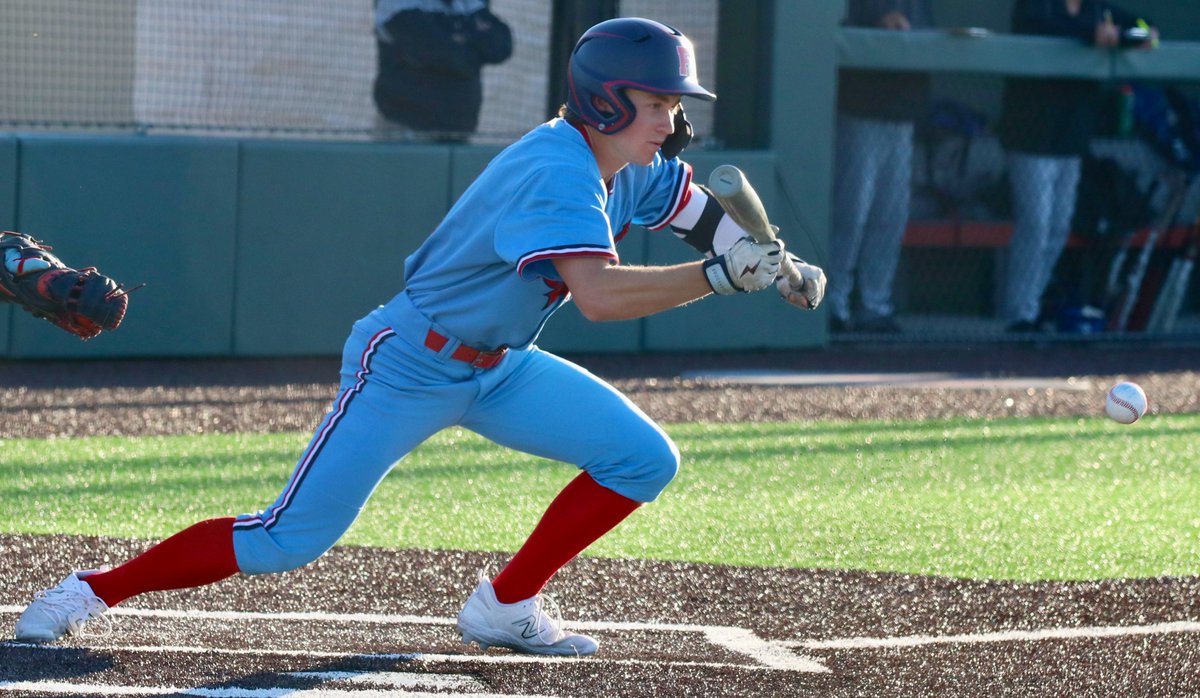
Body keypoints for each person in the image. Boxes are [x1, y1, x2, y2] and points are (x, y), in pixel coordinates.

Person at [14, 18, 826, 657]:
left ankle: (505, 606)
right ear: (608, 101)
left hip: (502, 369)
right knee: (288, 540)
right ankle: (91, 590)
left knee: (643, 459)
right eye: (657, 103)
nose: (672, 119)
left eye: (672, 104)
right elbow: (602, 300)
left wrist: (763, 259)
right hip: (407, 362)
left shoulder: (629, 162)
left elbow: (692, 210)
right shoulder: (559, 166)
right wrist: (722, 276)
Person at [997, 0, 1158, 332]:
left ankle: (1031, 306)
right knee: (1036, 224)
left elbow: (1142, 24)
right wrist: (1092, 34)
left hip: (1071, 138)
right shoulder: (1039, 9)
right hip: (1031, 136)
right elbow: (1042, 27)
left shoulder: (1096, 9)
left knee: (1057, 226)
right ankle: (1019, 313)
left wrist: (1138, 34)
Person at [827, 0, 934, 334]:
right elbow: (836, 28)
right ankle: (833, 303)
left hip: (902, 115)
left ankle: (875, 305)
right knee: (852, 211)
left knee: (891, 213)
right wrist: (878, 24)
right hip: (861, 110)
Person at [373, 0, 513, 142]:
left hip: (459, 128)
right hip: (407, 127)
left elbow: (499, 47)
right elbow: (439, 53)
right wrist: (471, 41)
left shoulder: (468, 3)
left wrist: (456, 40)